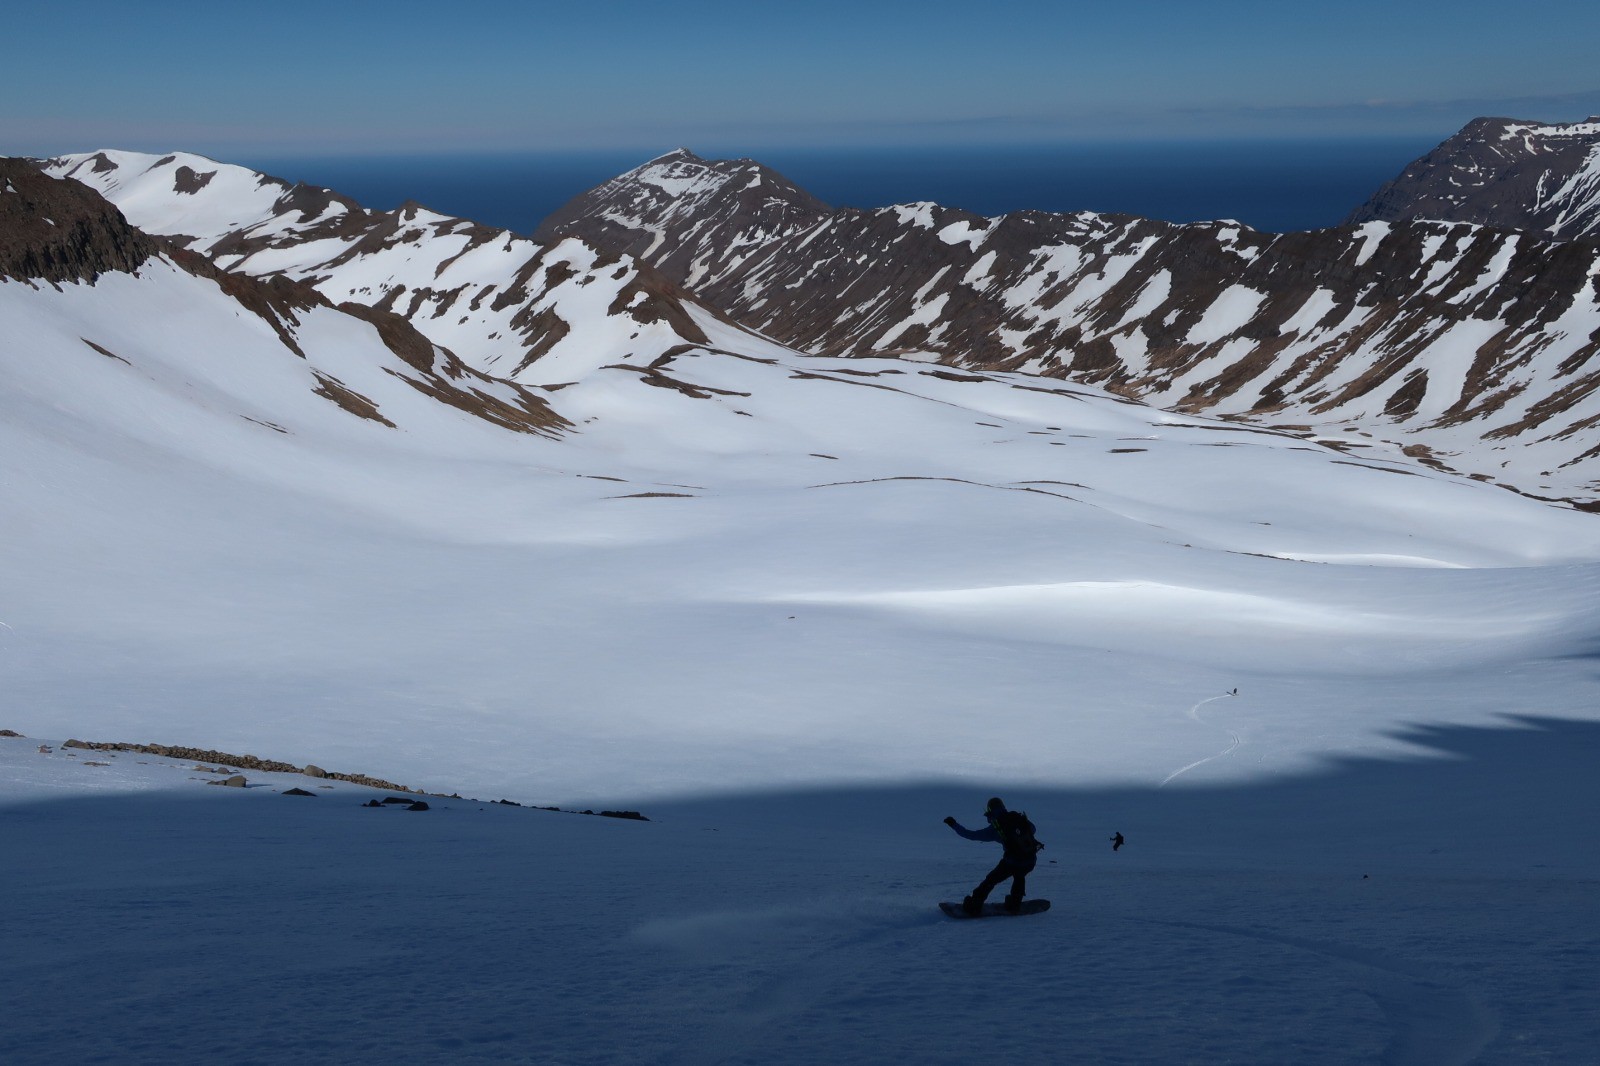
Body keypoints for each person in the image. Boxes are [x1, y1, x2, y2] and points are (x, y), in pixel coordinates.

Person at [944, 796, 1042, 915]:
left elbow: (971, 835)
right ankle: (1015, 903)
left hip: (1012, 861)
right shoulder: (1017, 818)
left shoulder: (996, 828)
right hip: (1030, 860)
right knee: (1019, 876)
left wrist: (954, 825)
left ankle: (974, 906)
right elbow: (1033, 829)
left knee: (991, 880)